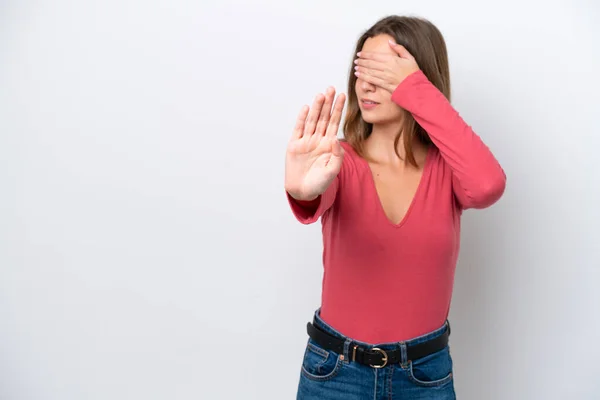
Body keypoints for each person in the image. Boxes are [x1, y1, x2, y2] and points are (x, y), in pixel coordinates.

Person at [284, 14, 506, 400]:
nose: (366, 84)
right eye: (361, 69)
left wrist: (417, 93)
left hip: (424, 377)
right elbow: (315, 194)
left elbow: (487, 186)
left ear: (418, 79)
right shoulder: (339, 161)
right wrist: (303, 190)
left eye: (383, 72)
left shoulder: (447, 170)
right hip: (334, 374)